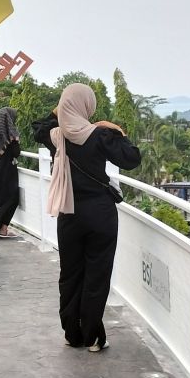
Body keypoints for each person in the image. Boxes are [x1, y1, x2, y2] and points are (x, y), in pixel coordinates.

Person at [48, 83, 141, 353]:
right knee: (96, 275)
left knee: (70, 274)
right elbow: (132, 158)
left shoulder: (58, 135)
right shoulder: (100, 135)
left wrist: (59, 112)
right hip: (100, 214)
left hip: (69, 215)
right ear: (87, 105)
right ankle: (92, 336)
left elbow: (39, 126)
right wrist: (114, 130)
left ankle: (71, 333)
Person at [0, 107, 22, 238]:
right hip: (8, 170)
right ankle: (2, 228)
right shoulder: (11, 133)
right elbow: (16, 152)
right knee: (13, 197)